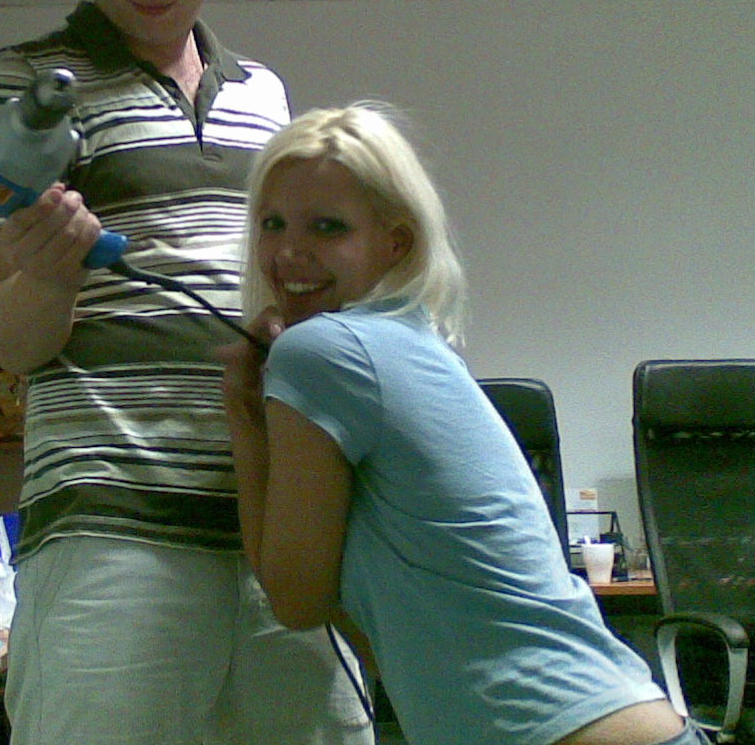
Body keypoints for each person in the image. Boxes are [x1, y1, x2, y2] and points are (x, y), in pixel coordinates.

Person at [0, 0, 373, 745]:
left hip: (275, 518)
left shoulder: (266, 98)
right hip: (111, 530)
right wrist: (50, 275)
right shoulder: (25, 87)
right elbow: (8, 340)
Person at [220, 103, 707, 745]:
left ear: (396, 243)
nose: (289, 252)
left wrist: (242, 415)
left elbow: (296, 600)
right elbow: (395, 631)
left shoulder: (319, 353)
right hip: (631, 716)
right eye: (272, 223)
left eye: (327, 227)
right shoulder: (418, 345)